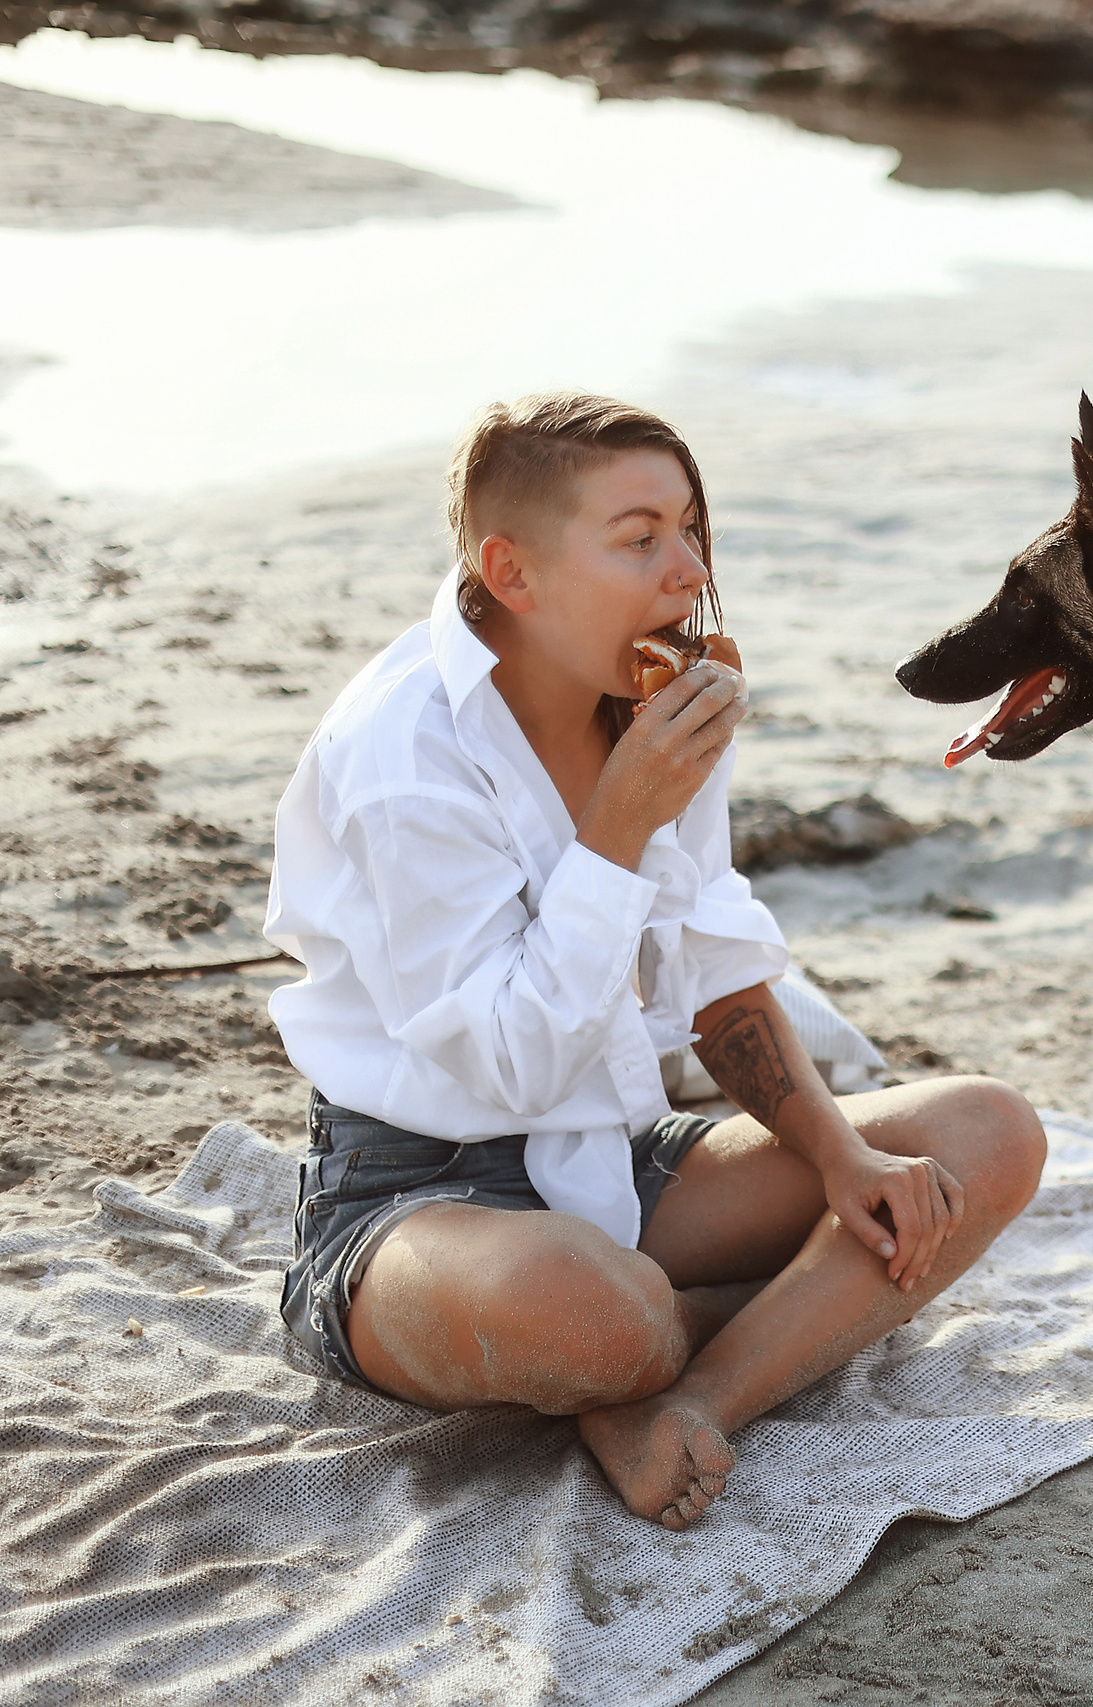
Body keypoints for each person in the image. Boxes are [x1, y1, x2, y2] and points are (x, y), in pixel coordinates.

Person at [263, 392, 1046, 1530]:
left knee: (986, 1133)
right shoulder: (403, 755)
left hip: (613, 1156)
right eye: (638, 538)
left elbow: (715, 960)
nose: (686, 568)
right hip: (413, 1196)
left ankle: (688, 1400)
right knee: (601, 1319)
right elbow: (512, 1071)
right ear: (512, 571)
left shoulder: (654, 695)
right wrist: (617, 829)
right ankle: (747, 1324)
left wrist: (839, 1159)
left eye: (689, 527)